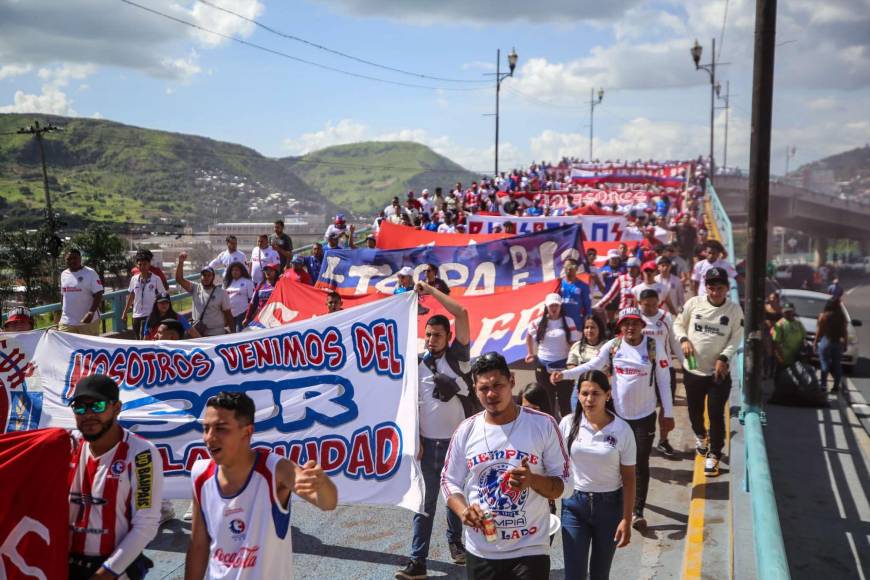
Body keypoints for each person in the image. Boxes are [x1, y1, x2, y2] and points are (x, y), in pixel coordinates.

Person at [440, 352, 570, 580]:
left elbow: (567, 486)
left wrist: (533, 481)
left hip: (530, 548)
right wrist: (464, 512)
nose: (491, 394)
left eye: (497, 385)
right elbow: (448, 480)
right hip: (481, 550)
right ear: (474, 388)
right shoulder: (466, 430)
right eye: (483, 388)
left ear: (511, 381)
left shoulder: (543, 425)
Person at [184, 391, 337, 579]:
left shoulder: (275, 469)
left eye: (221, 428)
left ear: (247, 432)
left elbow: (327, 503)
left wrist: (321, 483)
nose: (209, 437)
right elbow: (198, 545)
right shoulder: (200, 473)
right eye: (206, 428)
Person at [552, 308, 673, 530]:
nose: (630, 327)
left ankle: (637, 511)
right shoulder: (613, 347)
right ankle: (620, 503)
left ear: (641, 325)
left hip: (644, 417)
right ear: (620, 326)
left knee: (639, 464)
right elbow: (592, 366)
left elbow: (664, 381)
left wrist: (669, 412)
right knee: (616, 461)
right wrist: (565, 374)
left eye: (634, 323)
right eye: (625, 323)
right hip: (617, 416)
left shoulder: (654, 347)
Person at [396, 281, 472, 579]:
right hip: (427, 445)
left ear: (449, 337)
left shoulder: (459, 358)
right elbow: (412, 407)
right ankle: (418, 562)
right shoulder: (417, 364)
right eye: (427, 334)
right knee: (424, 505)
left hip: (457, 446)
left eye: (437, 335)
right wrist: (415, 440)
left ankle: (456, 544)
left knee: (456, 500)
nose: (430, 339)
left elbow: (463, 312)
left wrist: (429, 289)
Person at [67, 374, 163, 580]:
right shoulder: (66, 445)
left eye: (98, 406)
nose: (88, 414)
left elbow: (146, 524)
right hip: (64, 565)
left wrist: (104, 574)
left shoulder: (142, 454)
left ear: (117, 408)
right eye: (80, 407)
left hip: (115, 571)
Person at [560, 370, 636, 580]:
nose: (589, 399)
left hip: (610, 508)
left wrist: (627, 520)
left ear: (608, 395)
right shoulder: (567, 424)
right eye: (584, 393)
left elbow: (629, 479)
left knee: (600, 575)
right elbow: (556, 465)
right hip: (574, 506)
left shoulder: (622, 430)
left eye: (596, 393)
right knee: (574, 575)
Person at [674, 267, 744, 477]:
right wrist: (684, 339)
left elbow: (736, 337)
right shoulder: (694, 304)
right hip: (693, 369)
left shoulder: (734, 310)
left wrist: (724, 357)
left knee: (715, 414)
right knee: (695, 412)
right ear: (706, 287)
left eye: (720, 288)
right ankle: (700, 435)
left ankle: (714, 454)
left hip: (718, 374)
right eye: (711, 288)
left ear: (726, 289)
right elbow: (678, 324)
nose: (715, 292)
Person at [637, 289, 682, 458]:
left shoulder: (666, 317)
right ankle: (641, 440)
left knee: (666, 406)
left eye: (653, 305)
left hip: (665, 368)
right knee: (644, 407)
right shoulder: (634, 318)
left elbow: (674, 343)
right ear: (639, 303)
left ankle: (663, 440)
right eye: (646, 305)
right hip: (642, 370)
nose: (650, 308)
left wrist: (684, 363)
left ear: (659, 303)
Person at [525, 293, 581, 418]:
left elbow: (574, 343)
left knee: (564, 400)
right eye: (551, 306)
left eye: (556, 305)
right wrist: (530, 352)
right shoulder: (538, 322)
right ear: (546, 307)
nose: (554, 308)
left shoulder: (568, 321)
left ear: (560, 306)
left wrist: (575, 359)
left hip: (563, 365)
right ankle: (550, 428)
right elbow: (529, 335)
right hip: (543, 366)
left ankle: (566, 429)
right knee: (547, 400)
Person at [175, 253, 233, 337]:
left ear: (213, 277)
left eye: (209, 275)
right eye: (204, 275)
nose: (206, 277)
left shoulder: (222, 293)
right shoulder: (195, 288)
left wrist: (234, 333)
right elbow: (179, 279)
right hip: (198, 333)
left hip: (216, 333)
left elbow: (228, 314)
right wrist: (181, 262)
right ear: (200, 277)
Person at [566, 315, 609, 413]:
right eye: (586, 327)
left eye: (593, 327)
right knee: (578, 421)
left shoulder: (607, 346)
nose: (589, 330)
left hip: (601, 391)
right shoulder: (577, 346)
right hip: (579, 391)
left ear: (600, 329)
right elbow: (571, 366)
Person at [60, 248, 104, 335]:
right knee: (66, 347)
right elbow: (63, 295)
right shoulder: (63, 274)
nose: (72, 261)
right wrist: (61, 313)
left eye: (75, 258)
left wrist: (91, 312)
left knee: (89, 348)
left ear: (80, 259)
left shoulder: (90, 273)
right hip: (67, 322)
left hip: (87, 321)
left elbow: (99, 294)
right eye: (69, 259)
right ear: (65, 260)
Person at [123, 250, 166, 339]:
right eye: (140, 264)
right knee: (137, 339)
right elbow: (131, 296)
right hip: (136, 315)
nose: (142, 267)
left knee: (146, 338)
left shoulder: (156, 279)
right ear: (137, 265)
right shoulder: (134, 279)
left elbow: (162, 296)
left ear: (149, 264)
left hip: (150, 314)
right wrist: (125, 312)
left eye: (145, 264)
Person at [814, 298, 849, 393]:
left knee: (824, 363)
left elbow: (819, 331)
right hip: (838, 342)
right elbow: (845, 332)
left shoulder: (823, 316)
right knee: (837, 365)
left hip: (826, 341)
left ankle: (823, 385)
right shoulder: (842, 317)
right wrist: (845, 344)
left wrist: (815, 343)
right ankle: (836, 386)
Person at [560, 259, 593, 332]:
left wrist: (587, 322)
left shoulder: (583, 286)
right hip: (562, 323)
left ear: (577, 268)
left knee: (576, 343)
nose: (569, 268)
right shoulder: (558, 284)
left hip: (577, 322)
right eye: (567, 266)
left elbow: (588, 306)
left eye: (572, 266)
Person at [772, 302, 806, 370]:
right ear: (783, 312)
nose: (789, 313)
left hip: (797, 358)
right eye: (786, 311)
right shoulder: (779, 324)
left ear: (793, 311)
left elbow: (803, 338)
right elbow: (776, 343)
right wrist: (780, 358)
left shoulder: (798, 323)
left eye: (790, 311)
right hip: (784, 359)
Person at [244, 261, 280, 326]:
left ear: (276, 272)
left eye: (271, 270)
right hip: (262, 316)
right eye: (266, 270)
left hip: (276, 316)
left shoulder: (280, 284)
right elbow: (252, 302)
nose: (268, 272)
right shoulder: (260, 285)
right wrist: (247, 317)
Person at [223, 262, 255, 332]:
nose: (235, 272)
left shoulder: (247, 282)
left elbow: (252, 299)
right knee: (232, 334)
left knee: (239, 333)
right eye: (233, 270)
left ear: (241, 271)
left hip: (242, 313)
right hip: (230, 314)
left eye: (237, 270)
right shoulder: (227, 282)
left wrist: (249, 315)